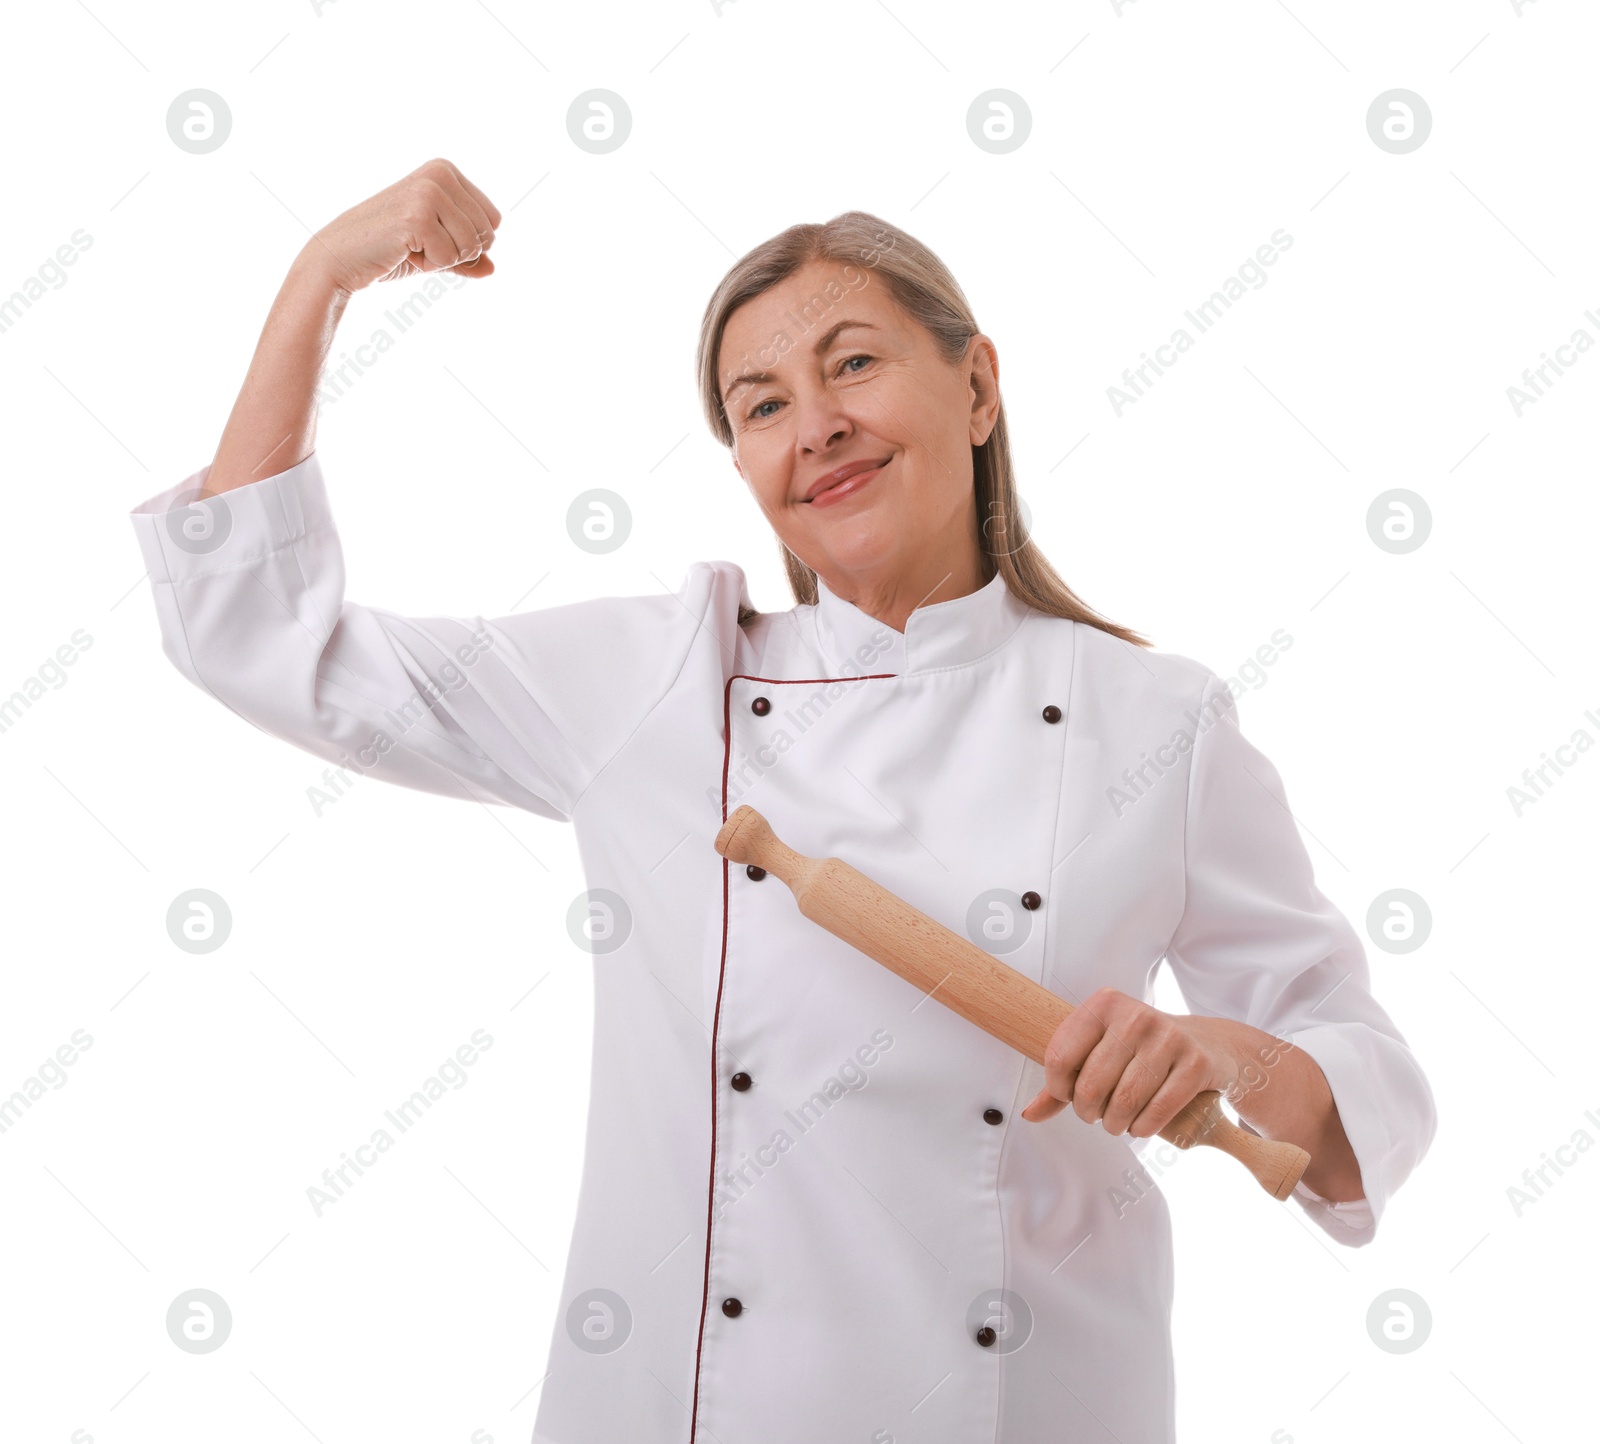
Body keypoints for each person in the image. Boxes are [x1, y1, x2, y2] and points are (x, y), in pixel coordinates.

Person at [127, 157, 1437, 1443]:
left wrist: (1220, 1053)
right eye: (760, 406)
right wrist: (323, 281)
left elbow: (1368, 1092)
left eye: (852, 364)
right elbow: (259, 637)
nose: (814, 427)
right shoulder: (659, 682)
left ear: (976, 386)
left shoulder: (1158, 724)